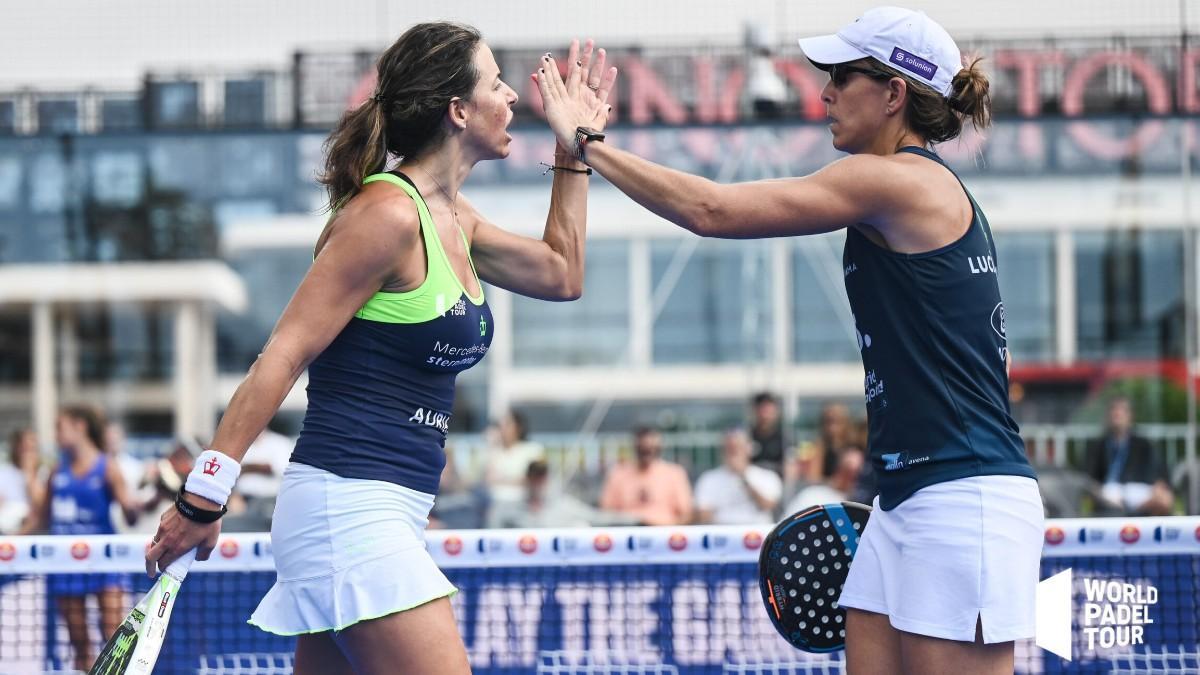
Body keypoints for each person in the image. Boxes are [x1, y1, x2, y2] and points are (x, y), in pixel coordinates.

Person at [537, 8, 1040, 673]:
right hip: (909, 498)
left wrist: (587, 142)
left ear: (894, 94)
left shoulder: (897, 180)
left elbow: (710, 210)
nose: (824, 92)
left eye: (841, 76)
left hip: (961, 497)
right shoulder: (904, 186)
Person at [145, 23, 616, 675]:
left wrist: (576, 148)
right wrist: (203, 497)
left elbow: (563, 273)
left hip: (381, 512)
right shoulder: (388, 216)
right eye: (496, 83)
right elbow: (280, 356)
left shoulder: (456, 219)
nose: (514, 97)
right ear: (458, 110)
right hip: (348, 508)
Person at [23, 406, 139, 671]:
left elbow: (130, 515)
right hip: (65, 564)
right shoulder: (56, 472)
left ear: (80, 427)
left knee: (113, 637)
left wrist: (139, 504)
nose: (55, 434)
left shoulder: (107, 467)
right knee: (79, 644)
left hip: (104, 561)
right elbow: (40, 519)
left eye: (60, 427)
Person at [1083, 396, 1174, 516]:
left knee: (1165, 500)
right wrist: (1097, 492)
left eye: (1122, 410)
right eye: (1114, 410)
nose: (1117, 414)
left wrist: (1159, 487)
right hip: (1109, 490)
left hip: (1137, 491)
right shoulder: (1098, 445)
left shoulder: (1143, 444)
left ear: (1130, 415)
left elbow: (1160, 471)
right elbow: (1088, 478)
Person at [598, 426, 694, 526]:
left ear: (659, 448)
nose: (647, 453)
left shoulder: (675, 473)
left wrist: (665, 529)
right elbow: (606, 513)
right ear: (636, 448)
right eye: (643, 450)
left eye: (652, 449)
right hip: (627, 533)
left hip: (663, 534)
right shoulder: (618, 473)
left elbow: (686, 514)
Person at [694, 428, 782, 524]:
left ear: (749, 449)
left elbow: (767, 505)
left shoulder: (767, 476)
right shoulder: (708, 479)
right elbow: (702, 515)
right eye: (729, 448)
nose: (733, 453)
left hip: (757, 535)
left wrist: (743, 478)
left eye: (737, 448)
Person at [482, 409, 544, 527]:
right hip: (496, 504)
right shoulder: (495, 451)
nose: (502, 429)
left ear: (518, 427)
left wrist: (502, 479)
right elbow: (488, 480)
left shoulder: (532, 449)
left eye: (507, 424)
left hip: (524, 504)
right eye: (500, 426)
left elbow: (533, 479)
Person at [0, 428, 42, 534]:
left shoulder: (44, 473)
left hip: (32, 527)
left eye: (33, 448)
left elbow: (39, 504)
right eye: (26, 448)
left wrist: (29, 473)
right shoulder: (4, 472)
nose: (29, 453)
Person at [748, 391, 788, 475]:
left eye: (768, 409)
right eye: (762, 409)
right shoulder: (747, 437)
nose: (765, 414)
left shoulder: (785, 439)